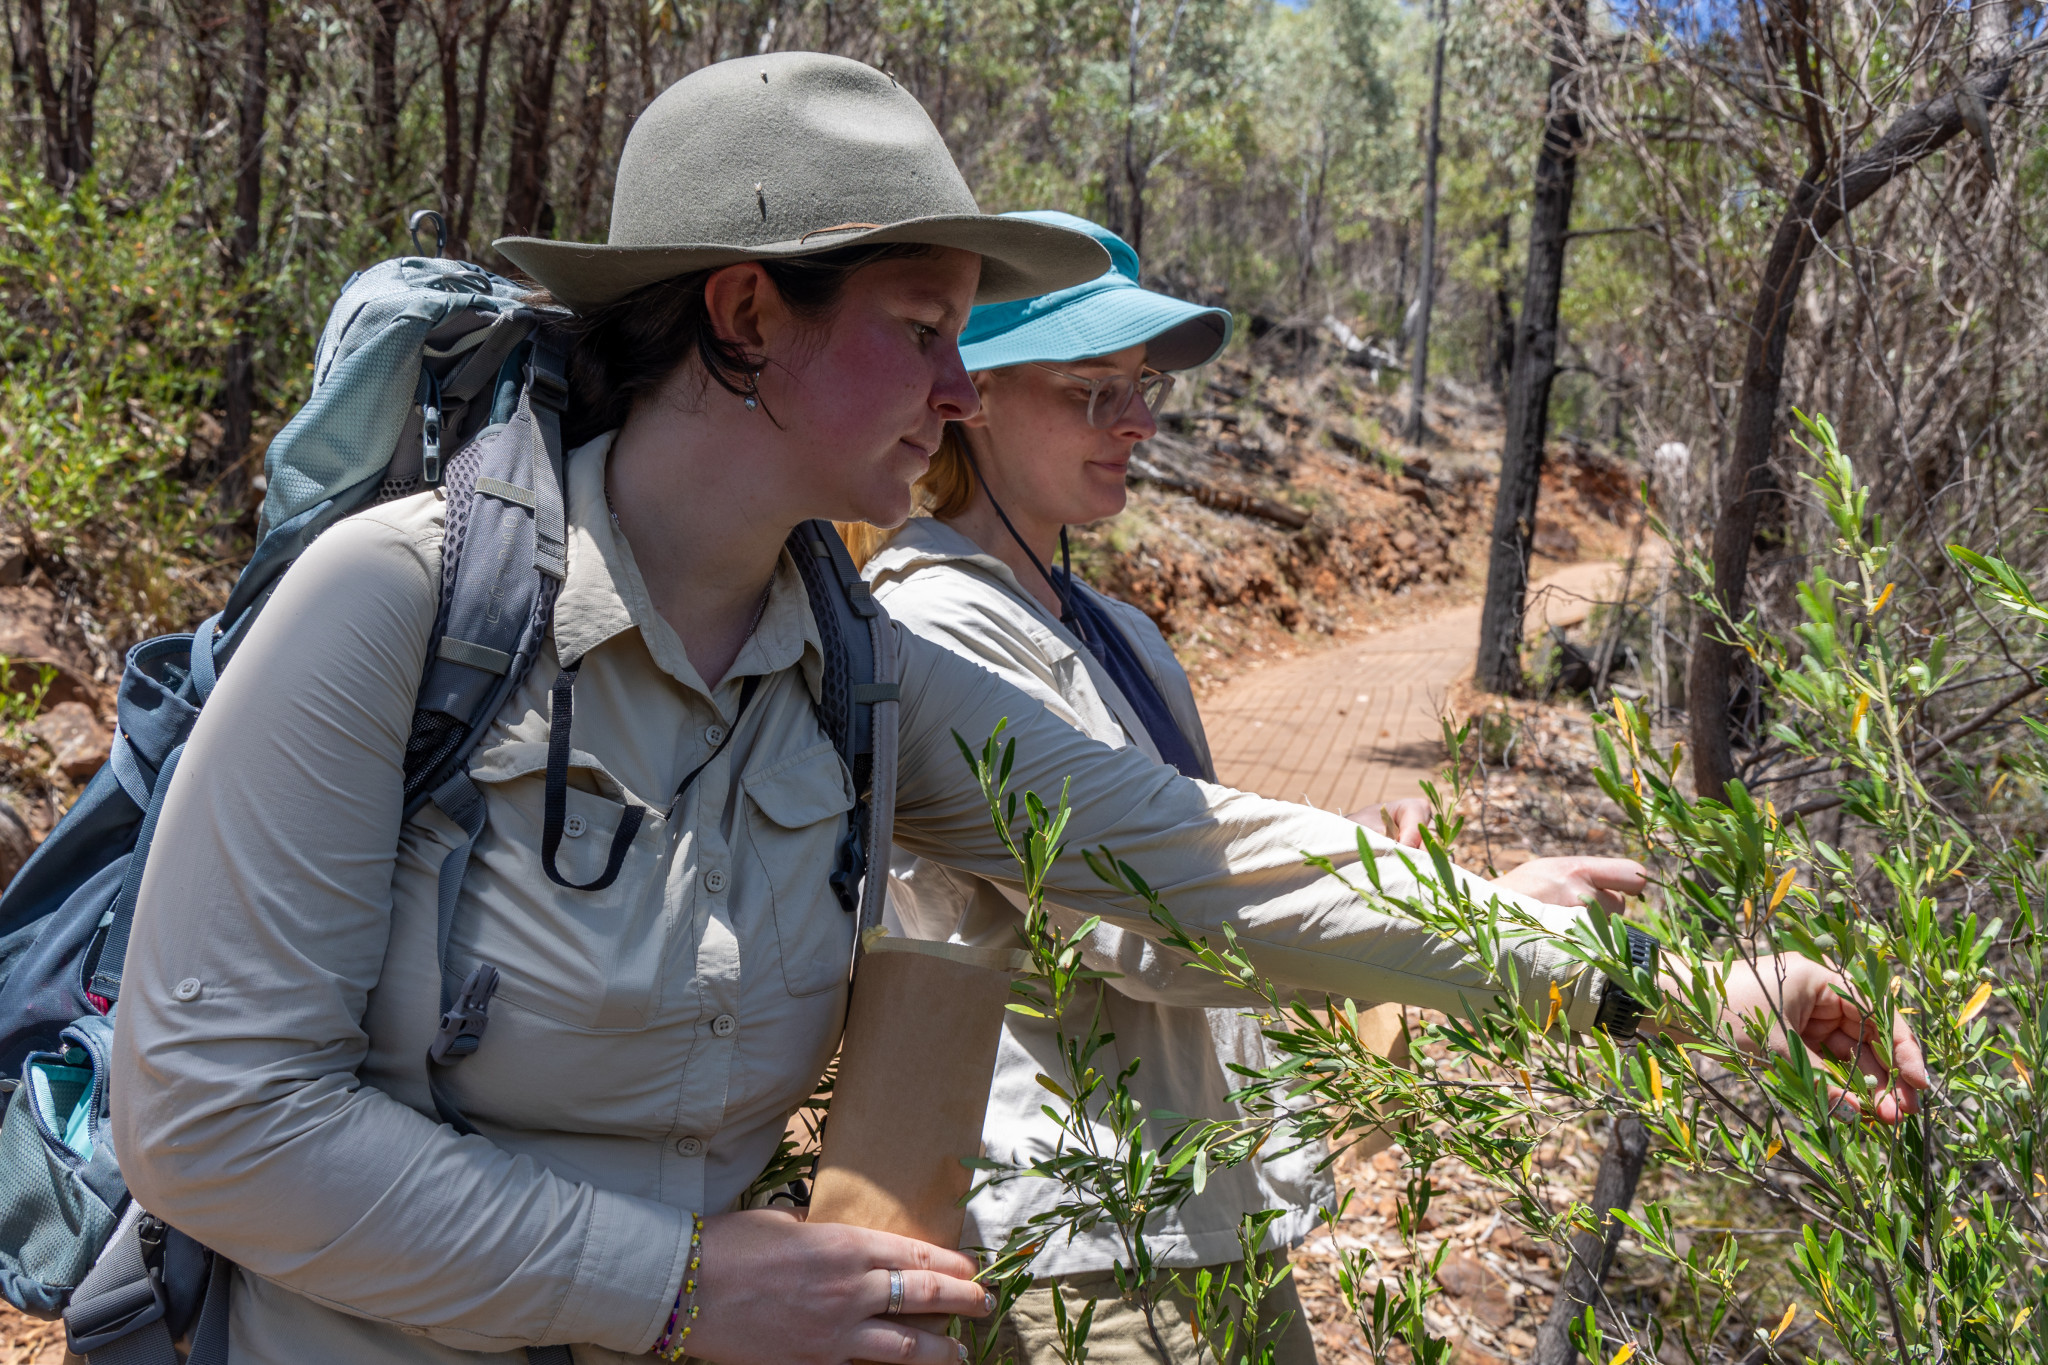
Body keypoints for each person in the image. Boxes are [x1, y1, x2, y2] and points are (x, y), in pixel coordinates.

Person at [108, 54, 1928, 1365]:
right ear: (743, 315)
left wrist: (1665, 987)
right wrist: (669, 1282)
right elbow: (205, 1117)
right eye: (918, 324)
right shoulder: (403, 607)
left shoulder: (852, 673)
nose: (958, 381)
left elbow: (1187, 862)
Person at [843, 212, 1666, 1364]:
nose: (1135, 421)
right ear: (965, 398)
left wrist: (1473, 893)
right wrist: (1514, 938)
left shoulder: (1109, 627)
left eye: (1139, 388)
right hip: (1091, 1244)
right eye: (1092, 392)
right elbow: (1157, 925)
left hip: (1207, 1215)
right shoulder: (941, 621)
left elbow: (1229, 897)